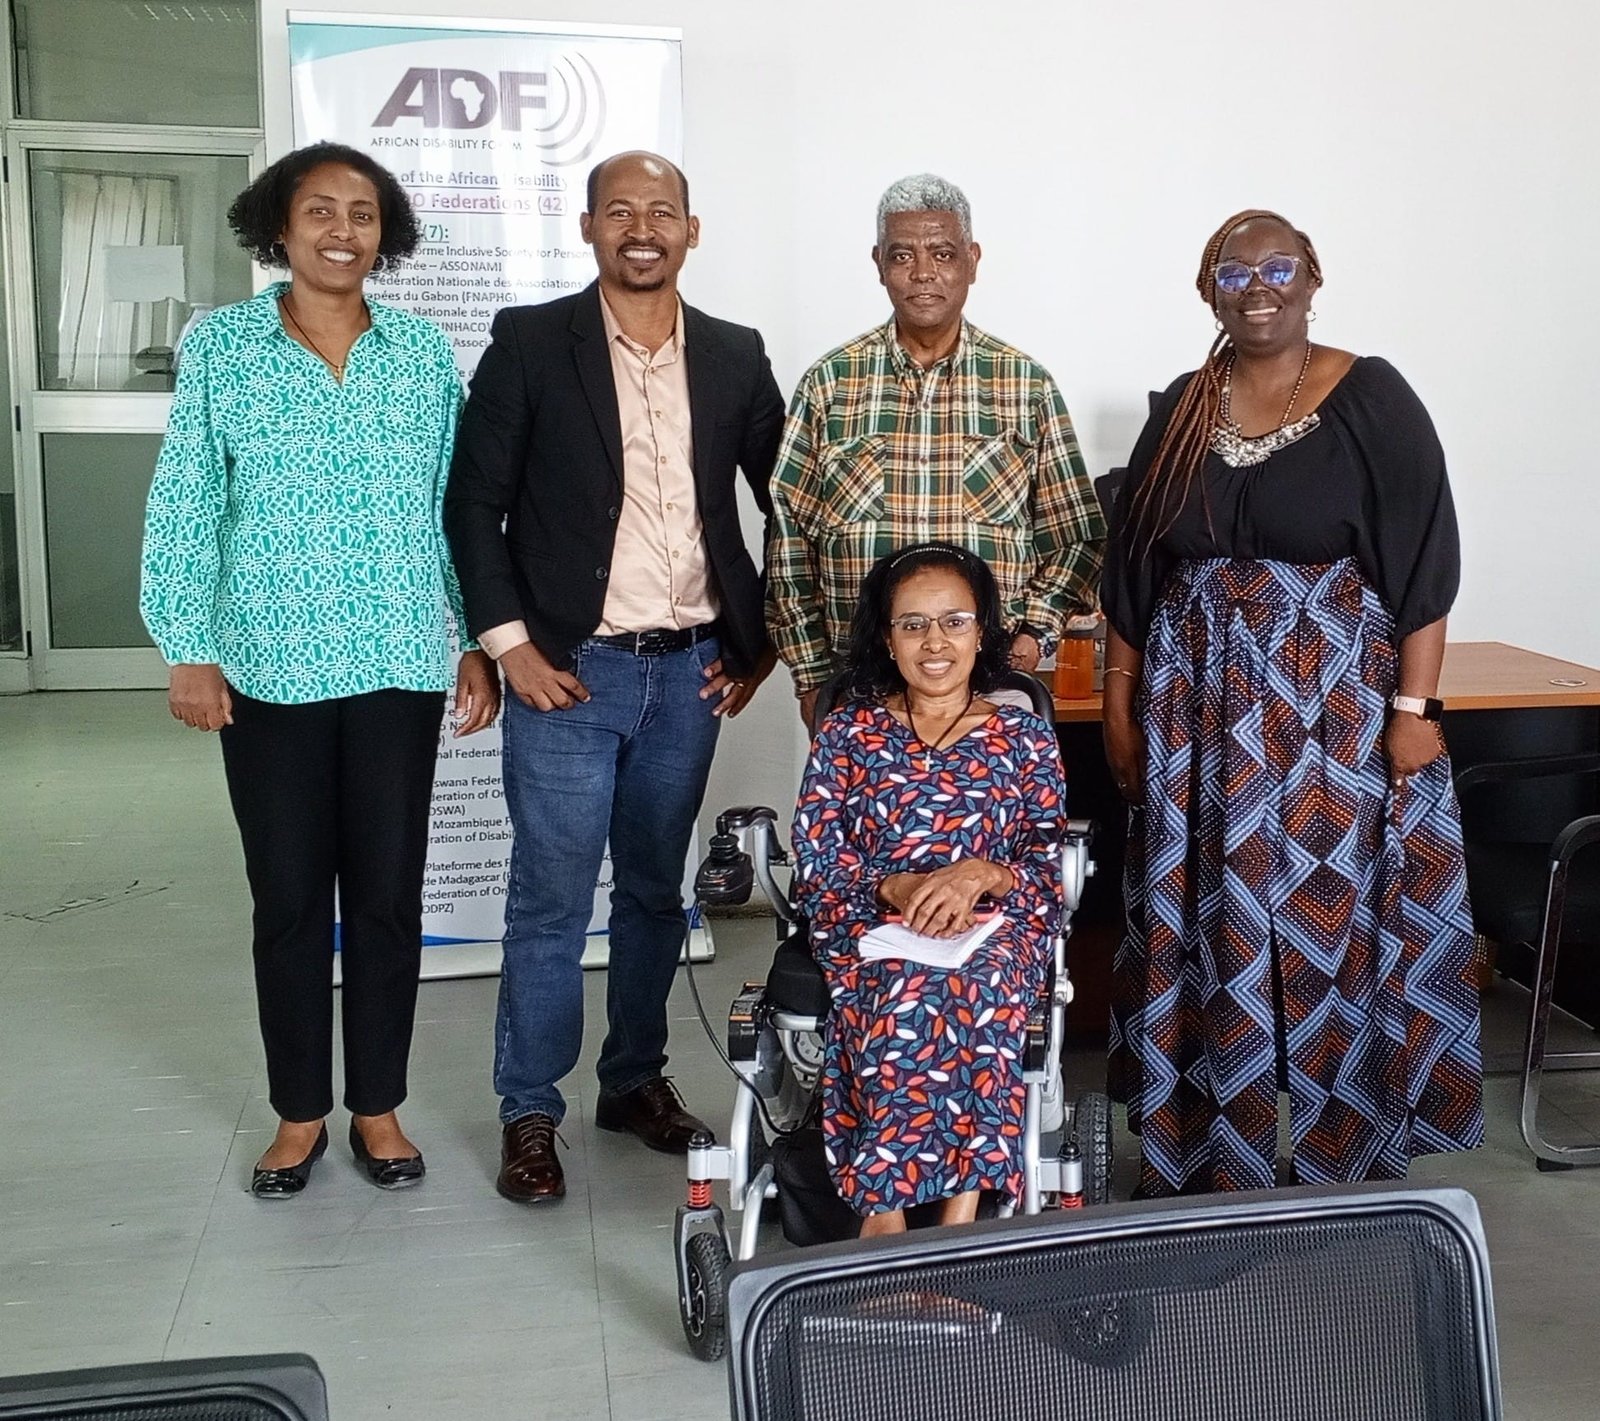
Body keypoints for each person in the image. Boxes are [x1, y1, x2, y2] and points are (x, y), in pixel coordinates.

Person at [139, 142, 498, 1198]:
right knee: (290, 899)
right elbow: (188, 498)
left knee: (386, 897)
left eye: (363, 212)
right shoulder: (223, 347)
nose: (343, 230)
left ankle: (377, 1106)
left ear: (385, 233)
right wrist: (186, 645)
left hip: (394, 659)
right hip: (265, 665)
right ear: (279, 227)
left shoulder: (424, 354)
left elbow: (454, 512)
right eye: (320, 211)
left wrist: (478, 635)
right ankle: (299, 1110)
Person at [1101, 208, 1484, 1198]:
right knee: (1204, 919)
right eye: (1236, 270)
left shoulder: (1371, 396)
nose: (1258, 284)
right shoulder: (1184, 405)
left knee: (1331, 916)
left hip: (1331, 702)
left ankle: (1341, 1154)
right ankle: (1202, 1151)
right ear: (1207, 288)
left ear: (1313, 277)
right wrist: (1115, 700)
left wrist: (1416, 707)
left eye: (1279, 266)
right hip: (1193, 703)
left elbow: (1422, 563)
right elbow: (1132, 568)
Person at [444, 151, 787, 1205]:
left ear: (693, 229)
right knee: (550, 899)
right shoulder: (531, 342)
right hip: (569, 676)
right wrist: (510, 648)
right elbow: (472, 505)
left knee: (654, 894)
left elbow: (796, 504)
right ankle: (529, 1107)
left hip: (687, 673)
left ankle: (632, 1078)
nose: (643, 227)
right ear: (588, 227)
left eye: (662, 212)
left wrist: (761, 641)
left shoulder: (734, 353)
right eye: (620, 211)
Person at [791, 542, 1066, 1234]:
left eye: (954, 621)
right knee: (904, 987)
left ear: (982, 632)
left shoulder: (1023, 737)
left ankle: (957, 1218)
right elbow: (818, 857)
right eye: (913, 624)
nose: (934, 641)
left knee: (978, 980)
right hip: (873, 920)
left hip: (992, 925)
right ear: (887, 639)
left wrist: (984, 874)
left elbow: (1045, 856)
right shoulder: (849, 735)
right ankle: (883, 1220)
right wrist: (900, 884)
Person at [766, 173, 1106, 727]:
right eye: (903, 255)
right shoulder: (830, 384)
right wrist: (809, 674)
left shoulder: (1024, 386)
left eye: (942, 253)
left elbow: (1077, 536)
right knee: (861, 817)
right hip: (861, 687)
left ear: (972, 260)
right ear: (878, 263)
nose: (923, 273)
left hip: (990, 689)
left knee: (987, 816)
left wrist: (1031, 634)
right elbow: (789, 540)